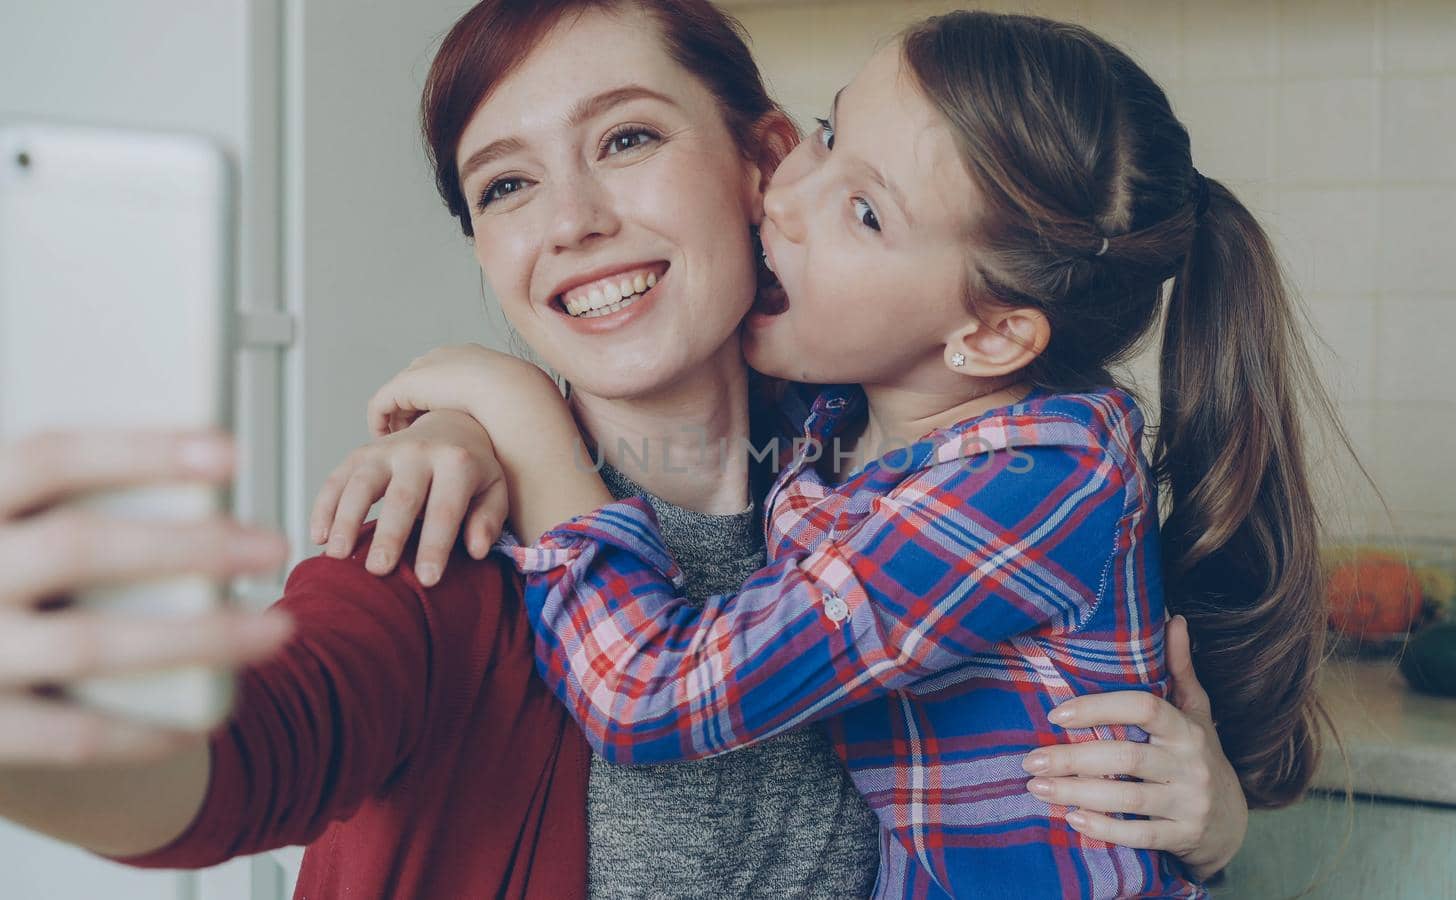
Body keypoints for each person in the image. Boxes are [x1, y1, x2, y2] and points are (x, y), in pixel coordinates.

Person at [0, 2, 1247, 897]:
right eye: (504, 188)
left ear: (761, 165)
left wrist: (1207, 824)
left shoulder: (876, 470)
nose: (575, 224)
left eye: (627, 140)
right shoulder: (448, 531)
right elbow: (239, 765)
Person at [349, 8, 1337, 898]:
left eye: (863, 212)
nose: (786, 194)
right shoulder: (844, 415)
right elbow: (651, 351)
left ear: (989, 338)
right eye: (826, 133)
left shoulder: (1030, 484)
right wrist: (458, 434)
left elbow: (648, 697)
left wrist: (516, 413)